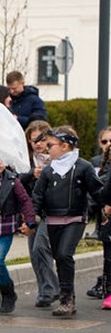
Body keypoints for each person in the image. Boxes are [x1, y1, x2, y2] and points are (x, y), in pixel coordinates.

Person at [31, 126, 104, 317]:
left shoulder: (83, 167)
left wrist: (104, 205)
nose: (47, 149)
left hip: (75, 219)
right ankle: (65, 295)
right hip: (53, 220)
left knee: (64, 254)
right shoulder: (49, 171)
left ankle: (67, 298)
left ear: (64, 146)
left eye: (50, 145)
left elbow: (97, 191)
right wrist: (31, 219)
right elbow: (38, 196)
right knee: (58, 257)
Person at [0, 153, 36, 316]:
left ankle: (8, 294)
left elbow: (25, 201)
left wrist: (30, 221)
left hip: (5, 228)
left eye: (2, 159)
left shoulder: (12, 180)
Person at [19, 120, 59, 307]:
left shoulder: (56, 157)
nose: (37, 144)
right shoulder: (25, 160)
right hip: (31, 211)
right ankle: (44, 291)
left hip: (50, 210)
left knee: (41, 247)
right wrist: (30, 174)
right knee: (34, 252)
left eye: (41, 140)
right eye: (33, 140)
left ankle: (53, 288)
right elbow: (15, 181)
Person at [87, 126, 111, 299]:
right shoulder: (95, 163)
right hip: (103, 213)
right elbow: (93, 190)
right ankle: (106, 286)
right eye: (105, 141)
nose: (108, 144)